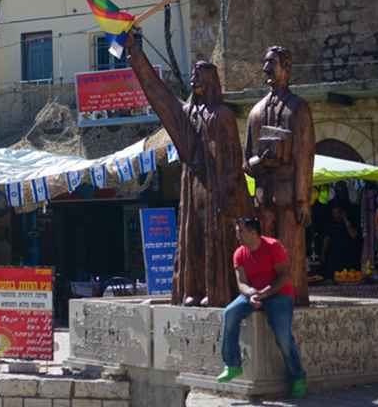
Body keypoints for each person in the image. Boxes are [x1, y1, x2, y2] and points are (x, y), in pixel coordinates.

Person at [128, 32, 252, 307]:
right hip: (193, 185)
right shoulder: (189, 114)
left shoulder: (222, 116)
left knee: (214, 238)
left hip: (217, 189)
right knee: (193, 237)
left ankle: (215, 290)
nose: (193, 79)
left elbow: (232, 159)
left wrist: (226, 193)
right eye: (193, 75)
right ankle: (192, 289)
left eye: (199, 76)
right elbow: (161, 97)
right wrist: (137, 57)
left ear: (210, 82)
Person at [244, 46, 315, 306]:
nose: (266, 69)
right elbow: (246, 163)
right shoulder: (255, 112)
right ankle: (263, 295)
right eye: (264, 63)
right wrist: (259, 161)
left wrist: (302, 199)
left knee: (289, 251)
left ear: (286, 68)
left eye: (271, 63)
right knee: (263, 254)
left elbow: (305, 157)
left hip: (288, 196)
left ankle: (292, 296)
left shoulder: (298, 109)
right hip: (264, 197)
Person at [218, 217, 307, 399]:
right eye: (236, 231)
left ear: (253, 232)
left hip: (279, 294)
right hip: (253, 294)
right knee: (230, 313)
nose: (237, 235)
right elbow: (241, 282)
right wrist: (251, 293)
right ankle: (233, 364)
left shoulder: (273, 246)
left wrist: (265, 293)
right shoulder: (239, 253)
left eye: (240, 231)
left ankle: (298, 377)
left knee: (283, 336)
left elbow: (284, 276)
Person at [322, 204, 362, 279]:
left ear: (342, 213)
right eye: (333, 213)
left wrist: (345, 220)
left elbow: (353, 235)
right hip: (334, 256)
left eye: (337, 213)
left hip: (347, 256)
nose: (335, 215)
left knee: (348, 277)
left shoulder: (350, 222)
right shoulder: (330, 224)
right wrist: (323, 253)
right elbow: (326, 239)